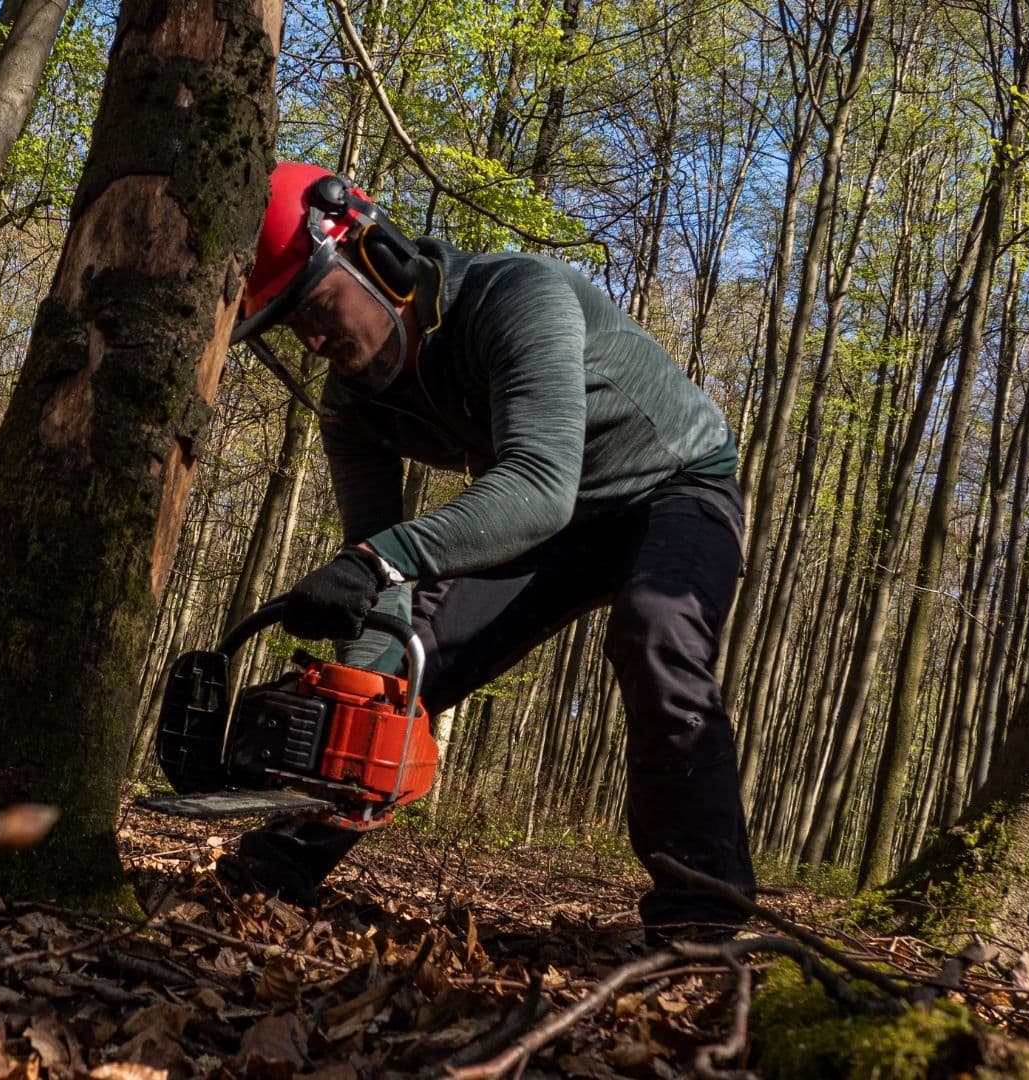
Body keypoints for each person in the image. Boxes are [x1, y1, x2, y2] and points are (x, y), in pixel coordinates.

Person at [222, 162, 755, 944]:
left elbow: (536, 484)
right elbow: (380, 572)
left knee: (655, 630)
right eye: (287, 325)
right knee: (403, 659)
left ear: (376, 255)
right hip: (555, 525)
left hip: (674, 488)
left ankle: (699, 917)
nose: (312, 339)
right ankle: (276, 867)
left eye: (315, 304)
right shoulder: (351, 406)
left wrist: (376, 562)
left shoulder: (517, 296)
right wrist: (362, 662)